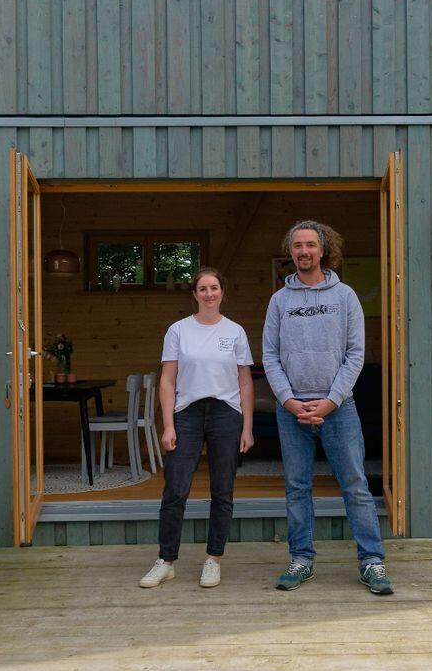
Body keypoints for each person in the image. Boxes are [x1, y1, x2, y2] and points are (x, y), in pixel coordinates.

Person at [261, 220, 392, 595]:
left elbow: (355, 355)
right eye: (297, 245)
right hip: (292, 412)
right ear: (291, 252)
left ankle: (372, 563)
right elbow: (270, 355)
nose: (304, 252)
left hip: (340, 409)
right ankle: (301, 559)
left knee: (355, 486)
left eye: (310, 245)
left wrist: (331, 402)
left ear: (324, 250)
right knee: (296, 488)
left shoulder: (345, 296)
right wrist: (288, 401)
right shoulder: (279, 301)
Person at [140, 265, 254, 588]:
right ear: (194, 294)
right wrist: (168, 424)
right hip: (187, 413)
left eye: (214, 288)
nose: (209, 294)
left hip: (225, 414)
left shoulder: (235, 332)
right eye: (202, 289)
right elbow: (167, 379)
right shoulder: (178, 330)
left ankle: (213, 559)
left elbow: (245, 383)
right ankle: (166, 560)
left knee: (222, 490)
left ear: (222, 292)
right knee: (175, 488)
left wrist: (247, 426)